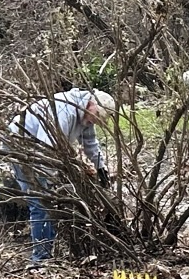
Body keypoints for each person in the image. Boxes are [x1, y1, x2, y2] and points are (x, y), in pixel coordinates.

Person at [7, 88, 118, 266]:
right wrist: (51, 180)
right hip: (20, 145)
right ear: (91, 104)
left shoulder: (85, 116)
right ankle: (40, 260)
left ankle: (47, 251)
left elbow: (90, 144)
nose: (95, 121)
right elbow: (45, 149)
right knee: (41, 201)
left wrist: (101, 169)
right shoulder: (64, 111)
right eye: (96, 116)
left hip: (42, 149)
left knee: (50, 200)